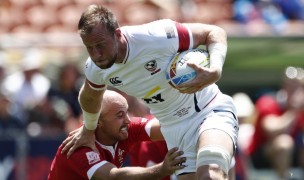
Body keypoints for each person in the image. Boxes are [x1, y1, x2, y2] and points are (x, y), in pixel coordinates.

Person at [62, 4, 238, 179]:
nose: (96, 54)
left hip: (208, 110)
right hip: (174, 129)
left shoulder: (156, 36)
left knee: (211, 174)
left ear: (117, 34)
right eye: (89, 48)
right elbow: (89, 96)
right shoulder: (96, 68)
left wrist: (215, 69)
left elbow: (214, 32)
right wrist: (89, 128)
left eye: (100, 45)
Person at [48, 90, 186, 179]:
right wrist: (161, 170)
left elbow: (166, 127)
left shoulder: (124, 127)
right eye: (120, 115)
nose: (127, 120)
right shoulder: (80, 147)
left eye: (126, 112)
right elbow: (114, 177)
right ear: (98, 122)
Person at [247, 66, 304, 179]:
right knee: (284, 143)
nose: (296, 91)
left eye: (300, 87)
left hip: (293, 154)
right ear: (284, 87)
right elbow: (271, 131)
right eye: (292, 86)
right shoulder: (269, 101)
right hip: (263, 156)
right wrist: (294, 111)